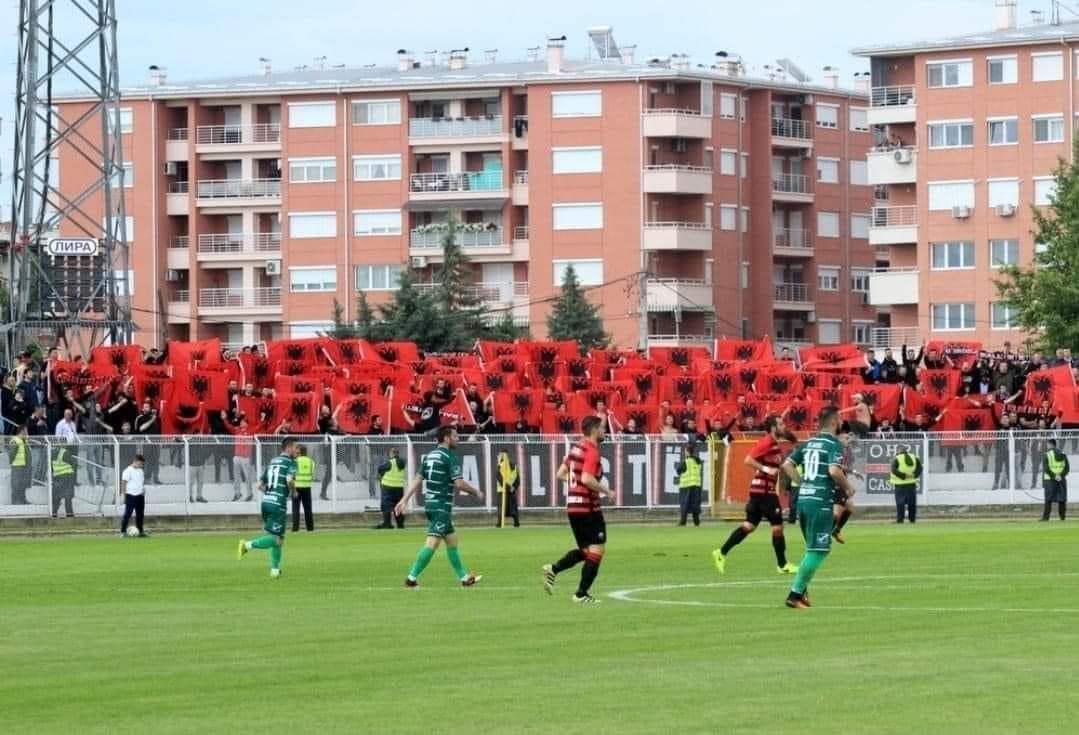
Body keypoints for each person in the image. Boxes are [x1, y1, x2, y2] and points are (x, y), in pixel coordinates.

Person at [781, 406, 853, 608]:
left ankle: (801, 594)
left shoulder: (808, 443)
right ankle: (794, 596)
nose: (841, 423)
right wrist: (848, 488)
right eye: (839, 419)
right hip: (820, 502)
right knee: (819, 550)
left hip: (803, 500)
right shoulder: (834, 444)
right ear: (833, 422)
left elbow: (787, 465)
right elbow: (834, 471)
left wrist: (803, 483)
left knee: (811, 548)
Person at [396, 426, 483, 588]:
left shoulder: (430, 456)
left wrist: (404, 499)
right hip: (441, 507)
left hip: (431, 505)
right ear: (446, 438)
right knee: (432, 543)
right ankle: (411, 578)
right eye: (455, 436)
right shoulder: (449, 457)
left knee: (452, 540)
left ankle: (464, 578)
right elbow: (459, 483)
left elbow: (417, 479)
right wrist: (476, 492)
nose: (458, 438)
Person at [712, 415, 798, 575]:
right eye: (780, 424)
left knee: (749, 526)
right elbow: (748, 459)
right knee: (778, 527)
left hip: (758, 491)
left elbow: (787, 438)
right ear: (773, 427)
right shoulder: (767, 442)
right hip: (764, 491)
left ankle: (721, 553)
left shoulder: (775, 443)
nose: (783, 426)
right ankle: (782, 564)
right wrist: (766, 469)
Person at [542, 415, 613, 604]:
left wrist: (575, 486)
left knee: (586, 551)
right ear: (595, 430)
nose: (605, 432)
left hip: (573, 507)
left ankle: (553, 569)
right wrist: (607, 491)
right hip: (588, 508)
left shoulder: (575, 449)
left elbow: (560, 474)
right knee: (597, 551)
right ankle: (581, 594)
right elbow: (587, 479)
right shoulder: (591, 451)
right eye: (603, 428)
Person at [237, 437, 299, 578]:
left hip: (266, 502)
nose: (297, 451)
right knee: (276, 539)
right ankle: (246, 545)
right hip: (278, 504)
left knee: (279, 539)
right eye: (296, 448)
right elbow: (289, 480)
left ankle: (275, 571)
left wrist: (270, 493)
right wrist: (294, 492)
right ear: (288, 448)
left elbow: (259, 485)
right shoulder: (291, 462)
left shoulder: (273, 461)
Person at [375, 448, 407, 529]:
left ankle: (387, 523)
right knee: (398, 506)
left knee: (386, 506)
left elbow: (380, 468)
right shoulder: (402, 462)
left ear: (391, 454)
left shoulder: (390, 462)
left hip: (387, 487)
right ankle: (400, 524)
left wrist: (382, 475)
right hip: (399, 488)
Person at [675, 440, 703, 527]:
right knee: (695, 504)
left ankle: (683, 522)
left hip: (686, 487)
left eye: (685, 451)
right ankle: (696, 522)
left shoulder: (685, 462)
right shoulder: (698, 461)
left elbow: (678, 470)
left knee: (684, 504)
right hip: (697, 486)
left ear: (687, 452)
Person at [890, 447, 922, 524]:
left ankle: (900, 520)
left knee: (900, 503)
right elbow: (920, 468)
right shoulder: (914, 457)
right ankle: (912, 520)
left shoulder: (897, 458)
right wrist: (914, 475)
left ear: (898, 451)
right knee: (912, 503)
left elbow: (893, 469)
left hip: (900, 484)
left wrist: (904, 476)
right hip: (911, 484)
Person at [1041, 438, 1069, 522]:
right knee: (1062, 498)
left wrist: (1054, 476)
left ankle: (1046, 518)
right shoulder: (1063, 454)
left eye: (1047, 444)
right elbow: (1067, 468)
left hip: (1049, 479)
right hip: (1061, 479)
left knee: (1048, 499)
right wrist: (1060, 475)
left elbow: (1046, 468)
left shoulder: (1048, 454)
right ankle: (1062, 517)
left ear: (1050, 444)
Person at [119, 454, 148, 537]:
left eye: (142, 464)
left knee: (140, 514)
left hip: (140, 496)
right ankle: (123, 532)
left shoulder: (140, 471)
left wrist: (143, 490)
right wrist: (123, 495)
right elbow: (123, 483)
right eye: (140, 464)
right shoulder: (127, 471)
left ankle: (141, 532)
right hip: (131, 495)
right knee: (128, 514)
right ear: (135, 461)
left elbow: (141, 482)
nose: (141, 465)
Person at [292, 444, 315, 532]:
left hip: (296, 487)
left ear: (299, 452)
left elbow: (292, 476)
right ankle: (310, 529)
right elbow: (312, 474)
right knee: (308, 509)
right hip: (307, 487)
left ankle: (295, 529)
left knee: (296, 509)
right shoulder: (311, 462)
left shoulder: (294, 461)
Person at [496, 449, 521, 528]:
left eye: (499, 455)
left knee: (502, 508)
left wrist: (507, 487)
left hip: (502, 490)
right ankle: (516, 523)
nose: (498, 456)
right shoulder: (514, 465)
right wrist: (513, 487)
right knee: (513, 507)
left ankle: (500, 523)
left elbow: (499, 477)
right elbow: (517, 479)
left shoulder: (500, 465)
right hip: (511, 490)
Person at [50, 443, 77, 518]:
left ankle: (54, 512)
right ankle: (69, 513)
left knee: (57, 496)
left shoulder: (52, 453)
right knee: (68, 496)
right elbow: (72, 464)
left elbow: (51, 466)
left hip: (57, 476)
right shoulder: (66, 452)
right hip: (67, 477)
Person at [8, 425, 31, 504]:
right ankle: (15, 500)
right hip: (17, 465)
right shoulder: (15, 440)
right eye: (26, 430)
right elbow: (11, 454)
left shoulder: (25, 440)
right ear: (22, 431)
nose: (27, 432)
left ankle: (23, 499)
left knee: (23, 484)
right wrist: (12, 463)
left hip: (25, 466)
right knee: (16, 484)